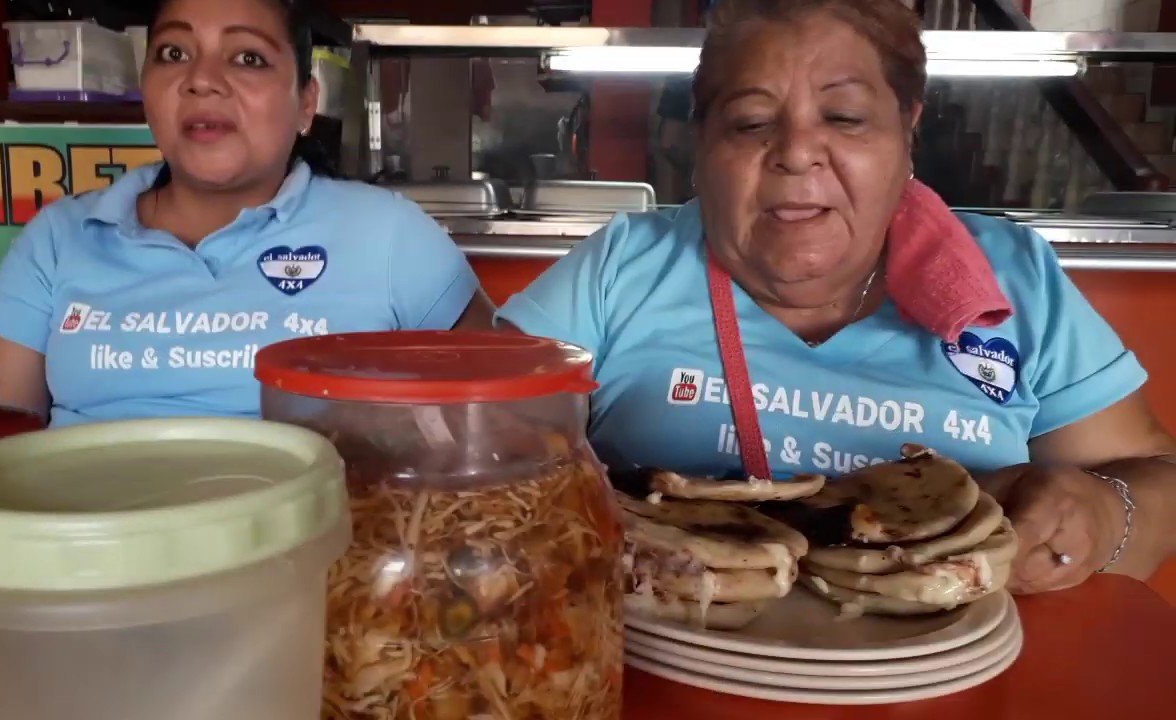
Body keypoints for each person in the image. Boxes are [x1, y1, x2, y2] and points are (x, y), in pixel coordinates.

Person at [497, 0, 1176, 595]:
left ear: (906, 129)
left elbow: (1159, 479)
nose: (797, 152)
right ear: (702, 144)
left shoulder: (1014, 276)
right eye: (750, 122)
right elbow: (471, 443)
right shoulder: (624, 267)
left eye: (844, 116)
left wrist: (1105, 514)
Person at [0, 0, 494, 427]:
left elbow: (506, 412)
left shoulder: (387, 235)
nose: (202, 80)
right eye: (173, 53)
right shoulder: (60, 240)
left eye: (248, 58)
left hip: (321, 547)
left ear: (306, 104)